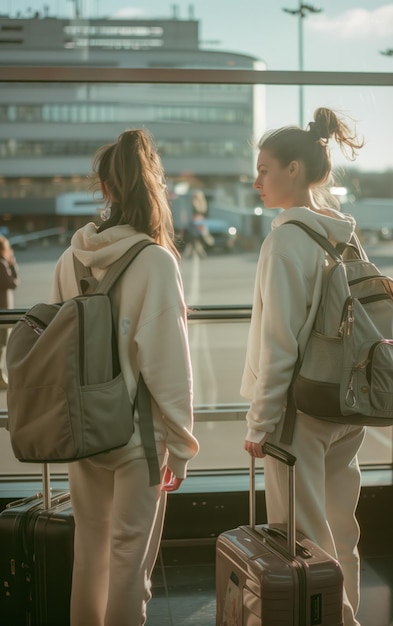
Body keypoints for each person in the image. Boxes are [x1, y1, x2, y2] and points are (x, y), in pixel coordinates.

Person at [49, 128, 199, 626]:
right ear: (151, 184)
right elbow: (167, 361)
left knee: (88, 553)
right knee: (129, 560)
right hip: (137, 438)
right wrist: (181, 441)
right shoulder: (155, 261)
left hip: (83, 428)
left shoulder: (70, 258)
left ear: (105, 189)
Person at [241, 107, 366, 626]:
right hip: (345, 402)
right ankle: (350, 615)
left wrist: (260, 422)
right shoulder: (346, 235)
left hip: (300, 413)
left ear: (294, 168)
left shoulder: (286, 240)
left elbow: (280, 345)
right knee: (342, 529)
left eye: (265, 169)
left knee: (303, 539)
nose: (257, 181)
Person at [0, 235, 19, 388]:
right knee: (1, 345)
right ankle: (0, 378)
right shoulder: (2, 264)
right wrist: (13, 264)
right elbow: (13, 283)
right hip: (3, 310)